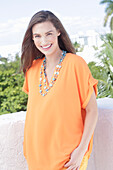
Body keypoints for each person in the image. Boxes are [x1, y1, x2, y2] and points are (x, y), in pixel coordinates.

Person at [21, 10, 98, 170]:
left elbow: (92, 110)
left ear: (58, 31)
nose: (44, 41)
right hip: (37, 158)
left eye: (48, 33)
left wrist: (81, 150)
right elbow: (35, 113)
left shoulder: (76, 64)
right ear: (32, 38)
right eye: (37, 36)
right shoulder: (32, 69)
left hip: (69, 158)